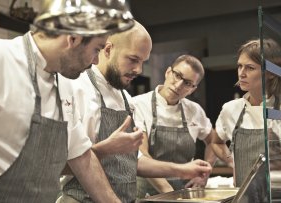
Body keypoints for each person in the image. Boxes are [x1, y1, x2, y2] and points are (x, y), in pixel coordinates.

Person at [0, 7, 139, 203]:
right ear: (73, 38)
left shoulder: (63, 84)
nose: (96, 60)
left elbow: (83, 158)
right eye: (96, 49)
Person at [58, 21, 212, 203]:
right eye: (133, 59)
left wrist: (183, 169)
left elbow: (135, 161)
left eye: (142, 62)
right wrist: (106, 149)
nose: (138, 70)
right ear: (107, 50)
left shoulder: (126, 100)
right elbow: (57, 165)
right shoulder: (75, 88)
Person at [132, 54, 217, 198]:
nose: (178, 85)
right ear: (168, 72)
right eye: (177, 75)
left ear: (193, 89)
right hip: (147, 194)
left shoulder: (194, 110)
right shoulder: (138, 105)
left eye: (188, 83)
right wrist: (170, 194)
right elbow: (142, 155)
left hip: (183, 192)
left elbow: (214, 141)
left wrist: (204, 174)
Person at [211, 38, 281, 203]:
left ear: (270, 73)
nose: (241, 73)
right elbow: (216, 142)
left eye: (250, 68)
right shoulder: (231, 109)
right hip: (243, 197)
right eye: (240, 66)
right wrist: (232, 162)